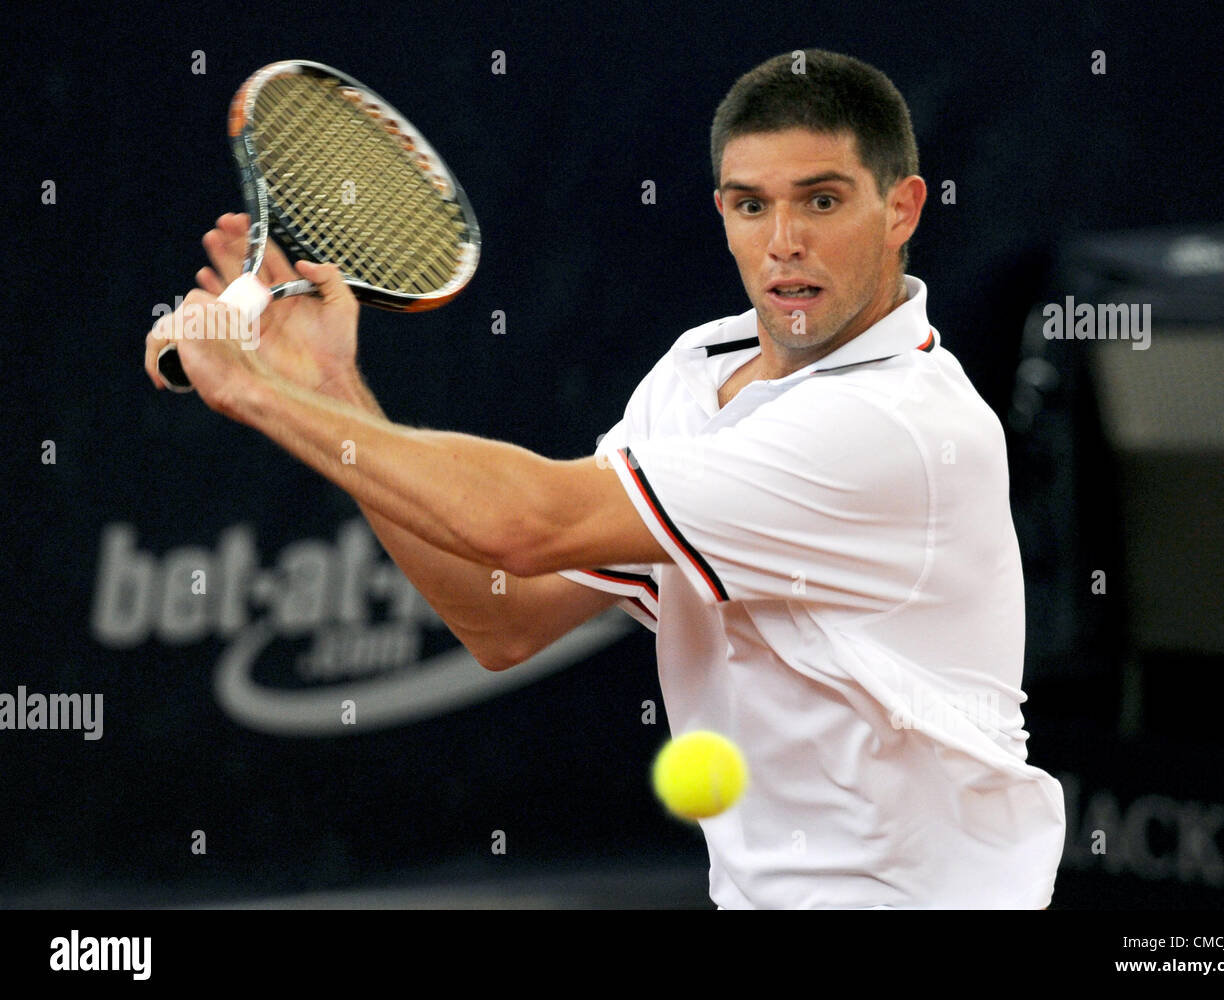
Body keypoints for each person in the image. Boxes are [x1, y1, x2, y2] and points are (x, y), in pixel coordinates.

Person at [145, 49, 1066, 908]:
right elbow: (501, 613)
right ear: (722, 214)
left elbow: (527, 523)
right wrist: (332, 389)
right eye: (751, 205)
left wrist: (260, 396)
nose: (783, 241)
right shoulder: (698, 374)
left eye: (821, 202)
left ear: (901, 208)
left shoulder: (894, 426)